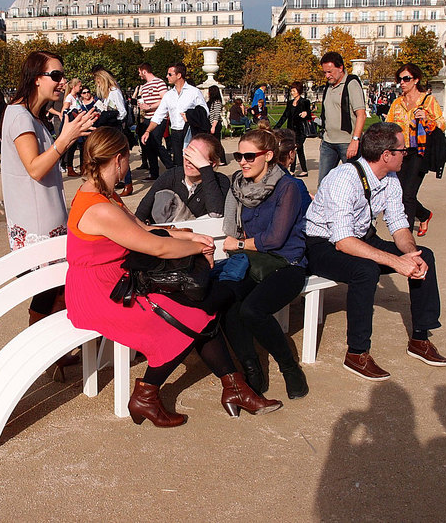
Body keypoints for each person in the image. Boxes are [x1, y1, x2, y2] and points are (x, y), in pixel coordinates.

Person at [66, 126, 282, 426]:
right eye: (128, 159)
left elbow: (144, 229)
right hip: (100, 295)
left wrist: (185, 235)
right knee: (190, 316)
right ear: (118, 159)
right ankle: (147, 394)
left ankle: (234, 388)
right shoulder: (99, 206)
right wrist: (190, 245)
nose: (128, 166)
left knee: (198, 310)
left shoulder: (101, 193)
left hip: (119, 282)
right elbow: (156, 246)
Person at [305, 122, 446, 381]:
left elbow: (399, 225)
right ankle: (356, 353)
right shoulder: (342, 180)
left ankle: (420, 339)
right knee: (366, 269)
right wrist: (396, 262)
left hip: (360, 237)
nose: (407, 153)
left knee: (424, 256)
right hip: (323, 246)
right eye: (403, 149)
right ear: (386, 155)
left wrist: (410, 256)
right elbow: (343, 242)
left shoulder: (390, 179)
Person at [1, 50, 98, 376]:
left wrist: (66, 136)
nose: (62, 82)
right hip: (35, 226)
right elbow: (35, 169)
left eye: (62, 75)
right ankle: (44, 356)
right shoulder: (18, 115)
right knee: (59, 291)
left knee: (53, 293)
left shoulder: (34, 117)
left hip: (47, 222)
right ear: (36, 78)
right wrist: (65, 139)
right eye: (56, 75)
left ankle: (49, 356)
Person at [220, 129, 312, 399]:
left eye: (250, 156)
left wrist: (238, 245)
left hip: (288, 263)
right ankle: (252, 370)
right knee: (226, 302)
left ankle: (289, 367)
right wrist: (241, 246)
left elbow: (275, 238)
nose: (243, 162)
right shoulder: (239, 186)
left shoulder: (288, 187)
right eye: (239, 155)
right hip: (254, 261)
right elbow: (237, 232)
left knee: (252, 310)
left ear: (269, 156)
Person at [386, 63, 445, 236]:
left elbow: (442, 124)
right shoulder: (397, 103)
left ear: (416, 79)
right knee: (398, 192)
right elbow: (388, 125)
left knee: (408, 194)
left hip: (419, 152)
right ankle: (424, 214)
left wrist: (427, 118)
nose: (402, 83)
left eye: (406, 79)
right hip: (400, 153)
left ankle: (406, 235)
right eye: (400, 79)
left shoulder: (428, 100)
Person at [135, 133, 230, 224]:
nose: (188, 161)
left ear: (211, 164)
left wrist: (206, 170)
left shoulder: (220, 181)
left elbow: (216, 214)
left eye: (196, 158)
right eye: (188, 154)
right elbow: (142, 211)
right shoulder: (172, 175)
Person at [141, 62, 208, 168]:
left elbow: (205, 111)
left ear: (179, 75)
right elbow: (158, 115)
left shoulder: (194, 92)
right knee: (179, 162)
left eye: (170, 74)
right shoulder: (168, 95)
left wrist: (190, 117)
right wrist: (148, 131)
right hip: (175, 133)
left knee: (192, 161)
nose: (167, 76)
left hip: (190, 131)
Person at [318, 51, 366, 184]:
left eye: (330, 72)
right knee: (323, 184)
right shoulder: (329, 86)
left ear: (340, 68)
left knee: (354, 183)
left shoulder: (351, 84)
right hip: (328, 142)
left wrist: (355, 140)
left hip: (347, 143)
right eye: (325, 72)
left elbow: (361, 114)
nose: (327, 76)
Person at [93, 68, 133, 196]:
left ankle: (128, 183)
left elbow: (122, 111)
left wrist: (112, 117)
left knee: (118, 155)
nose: (97, 85)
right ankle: (120, 181)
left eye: (98, 82)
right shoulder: (108, 93)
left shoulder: (114, 92)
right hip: (109, 126)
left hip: (115, 126)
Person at [137, 63, 174, 180]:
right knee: (148, 145)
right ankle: (154, 173)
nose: (139, 74)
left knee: (156, 143)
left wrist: (150, 107)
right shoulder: (144, 86)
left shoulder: (159, 82)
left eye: (139, 72)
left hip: (158, 118)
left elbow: (164, 100)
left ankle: (171, 167)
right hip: (147, 118)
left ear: (144, 71)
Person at [274, 81, 311, 177]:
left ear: (298, 91)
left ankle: (292, 170)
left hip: (300, 130)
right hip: (291, 131)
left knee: (295, 148)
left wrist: (306, 114)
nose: (292, 92)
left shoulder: (304, 102)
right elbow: (285, 116)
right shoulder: (290, 103)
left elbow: (309, 115)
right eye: (291, 90)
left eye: (294, 90)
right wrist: (276, 127)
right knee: (298, 150)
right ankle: (304, 170)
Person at [60, 78, 83, 177]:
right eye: (79, 86)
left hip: (77, 124)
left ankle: (71, 167)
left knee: (74, 147)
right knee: (70, 148)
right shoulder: (69, 98)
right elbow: (64, 112)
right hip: (72, 125)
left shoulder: (76, 97)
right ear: (74, 87)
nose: (81, 88)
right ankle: (68, 167)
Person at [206, 85, 227, 166]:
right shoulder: (211, 102)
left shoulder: (217, 102)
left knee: (217, 143)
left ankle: (222, 159)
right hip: (211, 124)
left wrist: (213, 126)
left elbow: (216, 115)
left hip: (215, 124)